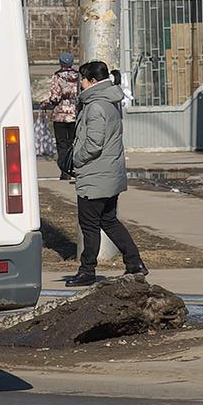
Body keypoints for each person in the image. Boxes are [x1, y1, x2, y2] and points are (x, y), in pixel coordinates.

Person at [65, 59, 147, 287]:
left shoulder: (96, 106)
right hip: (107, 173)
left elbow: (93, 143)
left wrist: (76, 160)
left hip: (95, 174)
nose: (80, 84)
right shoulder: (109, 102)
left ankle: (87, 271)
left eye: (82, 79)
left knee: (90, 225)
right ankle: (134, 263)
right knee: (109, 221)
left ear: (92, 81)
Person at [39, 51, 80, 180]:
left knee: (62, 144)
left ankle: (64, 170)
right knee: (73, 143)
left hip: (60, 116)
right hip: (75, 115)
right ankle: (73, 167)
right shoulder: (78, 76)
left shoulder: (57, 76)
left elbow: (55, 97)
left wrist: (45, 104)